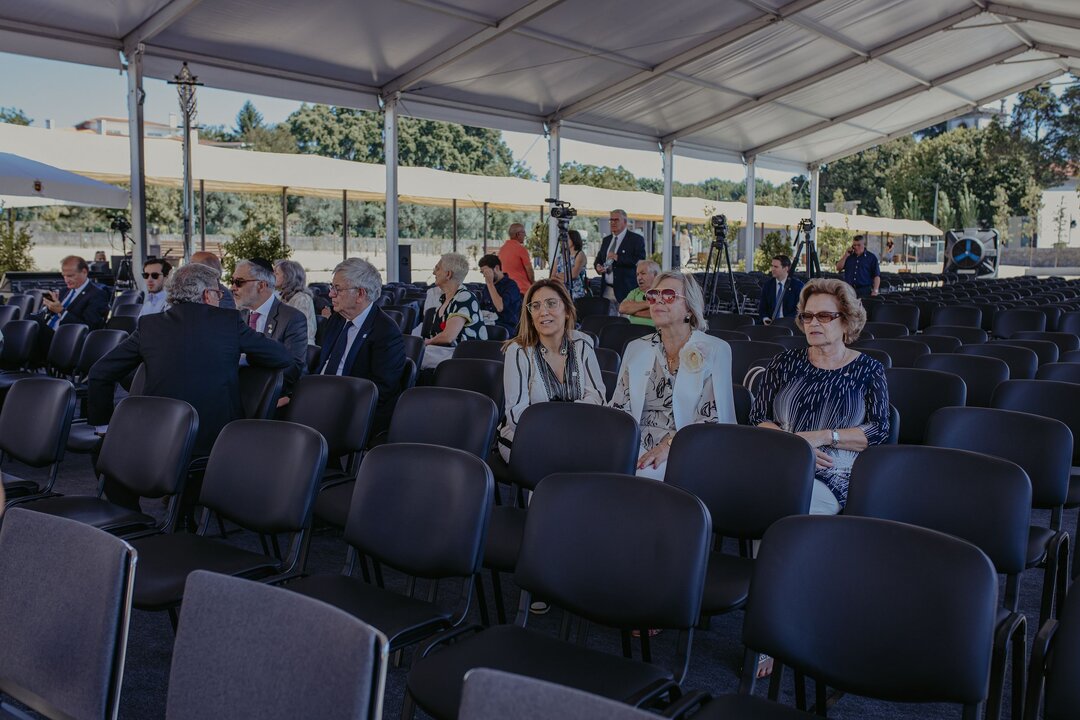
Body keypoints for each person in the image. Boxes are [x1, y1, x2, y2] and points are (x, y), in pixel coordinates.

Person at [87, 262, 292, 511]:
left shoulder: (150, 325)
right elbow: (281, 357)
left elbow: (99, 373)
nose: (220, 298)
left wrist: (105, 428)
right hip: (214, 438)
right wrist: (240, 357)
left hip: (155, 435)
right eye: (218, 293)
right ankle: (182, 515)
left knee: (102, 451)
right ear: (207, 295)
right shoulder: (228, 322)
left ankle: (130, 515)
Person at [749, 278, 890, 515]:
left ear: (846, 321)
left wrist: (823, 436)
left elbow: (878, 431)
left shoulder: (869, 369)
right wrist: (795, 448)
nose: (813, 322)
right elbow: (758, 417)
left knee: (782, 504)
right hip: (780, 457)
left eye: (824, 316)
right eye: (807, 316)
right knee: (740, 493)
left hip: (833, 471)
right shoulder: (783, 362)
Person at [610, 271, 736, 480]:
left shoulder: (715, 350)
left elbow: (711, 420)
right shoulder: (636, 348)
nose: (658, 300)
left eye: (668, 295)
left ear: (689, 308)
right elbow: (619, 409)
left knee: (644, 477)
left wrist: (669, 446)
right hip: (636, 444)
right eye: (653, 295)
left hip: (689, 447)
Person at [499, 279, 605, 462]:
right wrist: (563, 428)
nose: (543, 312)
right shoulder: (517, 351)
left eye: (551, 303)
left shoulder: (582, 343)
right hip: (526, 436)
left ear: (567, 310)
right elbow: (517, 416)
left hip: (577, 432)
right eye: (536, 306)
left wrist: (567, 427)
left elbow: (597, 396)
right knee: (557, 459)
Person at [318, 258, 406, 433]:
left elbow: (381, 390)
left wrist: (337, 405)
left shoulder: (386, 332)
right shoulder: (336, 320)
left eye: (337, 289)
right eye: (331, 287)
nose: (331, 294)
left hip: (354, 409)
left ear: (360, 294)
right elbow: (321, 364)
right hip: (320, 398)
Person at [231, 258, 308, 396]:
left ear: (261, 285)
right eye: (232, 281)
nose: (232, 287)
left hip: (274, 395)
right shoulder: (238, 316)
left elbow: (293, 369)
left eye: (239, 282)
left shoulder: (292, 318)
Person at [421, 253, 487, 370]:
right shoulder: (443, 300)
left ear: (448, 274)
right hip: (446, 355)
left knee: (414, 356)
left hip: (464, 358)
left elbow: (448, 337)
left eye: (437, 268)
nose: (434, 272)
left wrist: (424, 343)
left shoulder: (464, 297)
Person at [39, 255, 110, 332]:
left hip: (63, 335)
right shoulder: (64, 291)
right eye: (64, 276)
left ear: (84, 272)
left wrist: (61, 311)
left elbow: (88, 327)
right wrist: (50, 307)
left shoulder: (97, 295)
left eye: (70, 276)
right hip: (47, 328)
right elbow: (51, 315)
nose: (66, 280)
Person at [594, 209, 646, 304]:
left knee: (625, 315)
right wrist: (598, 266)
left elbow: (640, 261)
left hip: (626, 291)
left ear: (625, 222)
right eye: (611, 220)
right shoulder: (606, 240)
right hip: (606, 290)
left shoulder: (636, 239)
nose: (613, 222)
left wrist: (618, 258)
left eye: (616, 220)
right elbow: (599, 258)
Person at [274, 259, 317, 345]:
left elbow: (300, 330)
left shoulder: (302, 299)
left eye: (277, 273)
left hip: (302, 346)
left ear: (288, 276)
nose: (273, 276)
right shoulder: (283, 297)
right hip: (287, 343)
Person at [478, 254, 522, 336]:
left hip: (506, 328)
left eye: (486, 272)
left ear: (496, 268)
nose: (484, 275)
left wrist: (490, 284)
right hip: (489, 324)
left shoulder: (511, 286)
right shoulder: (487, 288)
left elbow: (500, 307)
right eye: (482, 272)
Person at [758, 254, 804, 324]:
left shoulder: (797, 286)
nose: (772, 269)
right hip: (770, 324)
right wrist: (765, 318)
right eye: (772, 266)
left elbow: (800, 310)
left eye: (776, 267)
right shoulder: (768, 285)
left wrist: (784, 321)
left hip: (790, 324)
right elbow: (762, 308)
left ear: (786, 268)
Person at [617, 259, 660, 326]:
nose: (639, 278)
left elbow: (661, 314)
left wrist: (632, 310)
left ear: (655, 275)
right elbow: (622, 308)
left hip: (654, 331)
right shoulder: (635, 292)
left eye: (643, 273)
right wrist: (648, 303)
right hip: (634, 331)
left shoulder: (663, 292)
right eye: (637, 274)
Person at [549, 229, 588, 299]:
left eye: (568, 238)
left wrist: (559, 276)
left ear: (574, 239)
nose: (565, 240)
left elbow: (573, 275)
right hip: (560, 292)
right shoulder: (560, 257)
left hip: (575, 293)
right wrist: (564, 278)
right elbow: (552, 276)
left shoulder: (580, 254)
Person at [497, 223, 534, 295]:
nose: (525, 235)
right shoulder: (521, 249)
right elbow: (529, 270)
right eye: (523, 232)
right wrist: (533, 283)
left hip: (507, 290)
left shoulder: (502, 250)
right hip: (522, 290)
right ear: (518, 234)